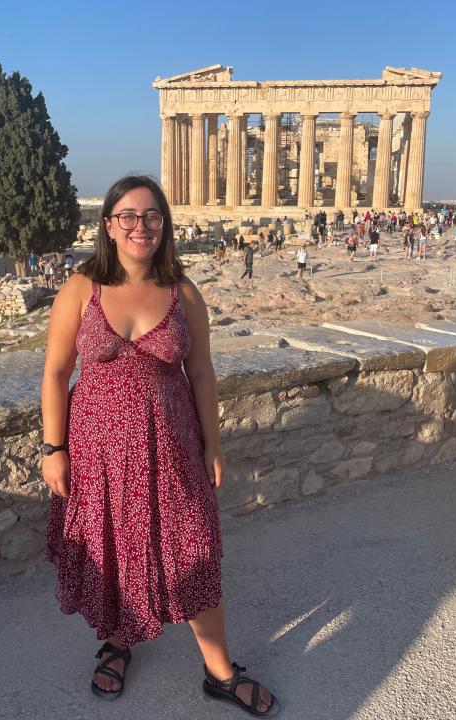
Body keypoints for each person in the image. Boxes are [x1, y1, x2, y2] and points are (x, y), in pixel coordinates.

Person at [41, 176, 279, 716]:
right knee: (114, 552)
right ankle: (118, 642)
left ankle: (220, 672)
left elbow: (202, 375)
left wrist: (213, 446)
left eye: (151, 216)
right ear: (108, 225)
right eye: (127, 216)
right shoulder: (82, 288)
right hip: (98, 453)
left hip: (172, 449)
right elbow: (56, 373)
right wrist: (53, 448)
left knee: (192, 552)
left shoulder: (183, 291)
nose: (140, 226)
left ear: (164, 225)